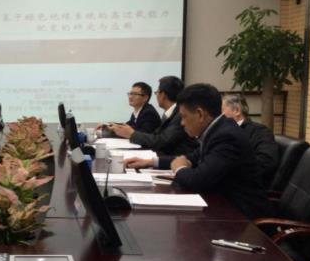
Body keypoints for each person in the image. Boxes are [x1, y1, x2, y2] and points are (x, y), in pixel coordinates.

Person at [126, 83, 273, 220]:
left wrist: (180, 168)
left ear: (200, 114)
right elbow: (193, 157)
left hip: (242, 218)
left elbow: (197, 180)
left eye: (184, 117)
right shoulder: (217, 129)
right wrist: (151, 162)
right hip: (221, 207)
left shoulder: (226, 136)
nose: (182, 123)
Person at [108, 76, 197, 156]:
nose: (130, 97)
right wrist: (110, 126)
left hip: (176, 161)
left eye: (157, 92)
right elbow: (155, 135)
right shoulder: (170, 113)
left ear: (163, 95)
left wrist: (132, 134)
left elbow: (162, 141)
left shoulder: (179, 115)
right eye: (130, 94)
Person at [222, 94, 279, 187]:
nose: (219, 117)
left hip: (244, 187)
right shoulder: (223, 131)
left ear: (236, 111)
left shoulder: (261, 132)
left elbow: (266, 162)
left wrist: (229, 167)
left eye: (221, 112)